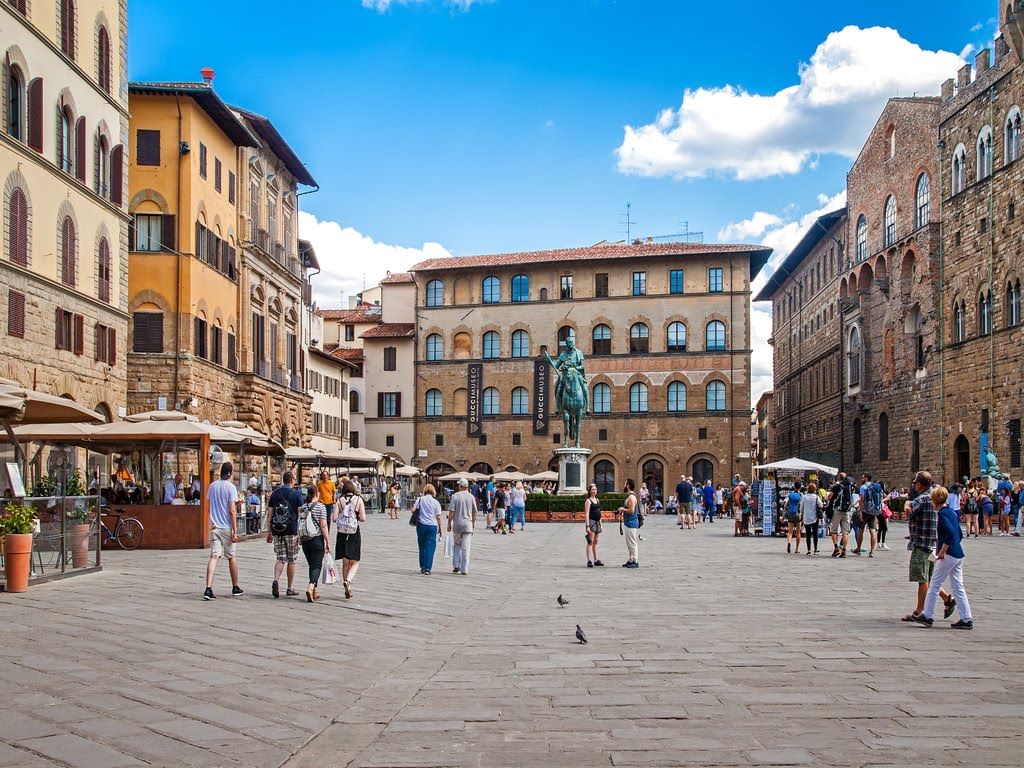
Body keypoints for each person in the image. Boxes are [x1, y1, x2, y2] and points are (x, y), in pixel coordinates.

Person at [913, 485, 974, 629]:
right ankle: (966, 618)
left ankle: (928, 616)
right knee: (958, 587)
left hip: (948, 555)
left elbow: (951, 532)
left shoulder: (942, 514)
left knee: (934, 585)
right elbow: (958, 533)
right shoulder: (952, 512)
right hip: (958, 554)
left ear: (934, 500)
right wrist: (953, 546)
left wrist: (943, 550)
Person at [902, 471, 953, 623]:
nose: (914, 486)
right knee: (929, 576)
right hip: (933, 545)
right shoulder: (935, 497)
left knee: (922, 578)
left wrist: (906, 503)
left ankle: (919, 610)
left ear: (919, 484)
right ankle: (947, 598)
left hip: (922, 545)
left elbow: (908, 510)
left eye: (915, 483)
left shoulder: (923, 498)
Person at [203, 463, 243, 600]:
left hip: (214, 527)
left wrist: (210, 523)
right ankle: (235, 586)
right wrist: (234, 530)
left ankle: (208, 588)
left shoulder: (212, 486)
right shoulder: (231, 487)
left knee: (214, 556)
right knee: (231, 556)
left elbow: (209, 506)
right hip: (226, 527)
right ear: (230, 473)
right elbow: (232, 510)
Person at [267, 471, 304, 597]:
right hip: (292, 530)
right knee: (292, 560)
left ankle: (276, 580)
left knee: (280, 558)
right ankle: (289, 588)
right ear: (292, 480)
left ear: (283, 480)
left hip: (277, 530)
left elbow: (270, 514)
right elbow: (301, 515)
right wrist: (301, 532)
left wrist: (269, 531)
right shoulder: (297, 495)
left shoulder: (275, 494)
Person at [334, 480, 366, 599]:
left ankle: (347, 586)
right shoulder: (358, 500)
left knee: (345, 562)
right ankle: (348, 581)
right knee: (355, 561)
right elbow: (362, 518)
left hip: (342, 533)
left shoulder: (340, 501)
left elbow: (334, 518)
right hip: (353, 532)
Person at [447, 478, 477, 575]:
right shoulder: (471, 497)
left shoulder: (455, 496)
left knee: (456, 545)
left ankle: (456, 565)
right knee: (466, 547)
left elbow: (451, 511)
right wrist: (473, 522)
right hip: (468, 524)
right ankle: (464, 569)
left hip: (457, 524)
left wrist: (449, 523)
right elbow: (474, 511)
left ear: (460, 486)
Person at [413, 484, 444, 574]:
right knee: (430, 547)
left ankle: (422, 566)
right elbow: (438, 517)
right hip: (432, 526)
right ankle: (428, 568)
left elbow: (413, 509)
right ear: (433, 491)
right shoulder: (436, 502)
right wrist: (440, 529)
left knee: (422, 546)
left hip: (421, 525)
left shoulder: (420, 499)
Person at [827, 472, 853, 558]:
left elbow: (830, 497)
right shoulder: (849, 486)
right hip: (846, 511)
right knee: (845, 532)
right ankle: (844, 551)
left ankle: (836, 548)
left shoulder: (837, 486)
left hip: (837, 509)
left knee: (834, 530)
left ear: (839, 478)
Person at [857, 472, 882, 557]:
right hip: (874, 510)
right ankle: (872, 551)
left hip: (865, 511)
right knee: (872, 530)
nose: (861, 478)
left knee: (861, 530)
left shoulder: (863, 487)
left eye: (863, 477)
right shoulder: (875, 486)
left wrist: (860, 511)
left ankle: (858, 549)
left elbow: (862, 499)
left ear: (866, 478)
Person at [618, 479, 641, 568]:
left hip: (631, 522)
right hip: (628, 522)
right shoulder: (630, 496)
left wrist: (622, 509)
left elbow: (631, 510)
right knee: (629, 543)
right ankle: (631, 559)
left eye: (625, 483)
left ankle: (635, 561)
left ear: (628, 485)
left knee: (632, 542)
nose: (624, 485)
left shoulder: (631, 497)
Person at [583, 483, 604, 567]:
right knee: (590, 542)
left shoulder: (597, 500)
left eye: (595, 489)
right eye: (593, 489)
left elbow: (599, 512)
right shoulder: (588, 501)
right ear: (590, 491)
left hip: (598, 522)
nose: (595, 491)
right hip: (591, 522)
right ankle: (589, 560)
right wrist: (587, 525)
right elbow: (587, 513)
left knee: (596, 542)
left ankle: (596, 559)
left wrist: (601, 524)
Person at [800, 483, 823, 554]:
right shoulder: (816, 497)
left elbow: (801, 507)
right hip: (814, 518)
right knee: (815, 534)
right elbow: (821, 505)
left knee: (808, 534)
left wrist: (801, 515)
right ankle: (815, 549)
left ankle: (809, 550)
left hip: (806, 518)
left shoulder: (804, 497)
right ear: (814, 489)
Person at [785, 482, 803, 554]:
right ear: (800, 487)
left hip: (790, 514)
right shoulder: (801, 495)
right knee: (798, 532)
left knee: (790, 531)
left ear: (794, 487)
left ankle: (789, 542)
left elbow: (785, 504)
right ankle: (796, 549)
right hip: (797, 514)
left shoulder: (790, 494)